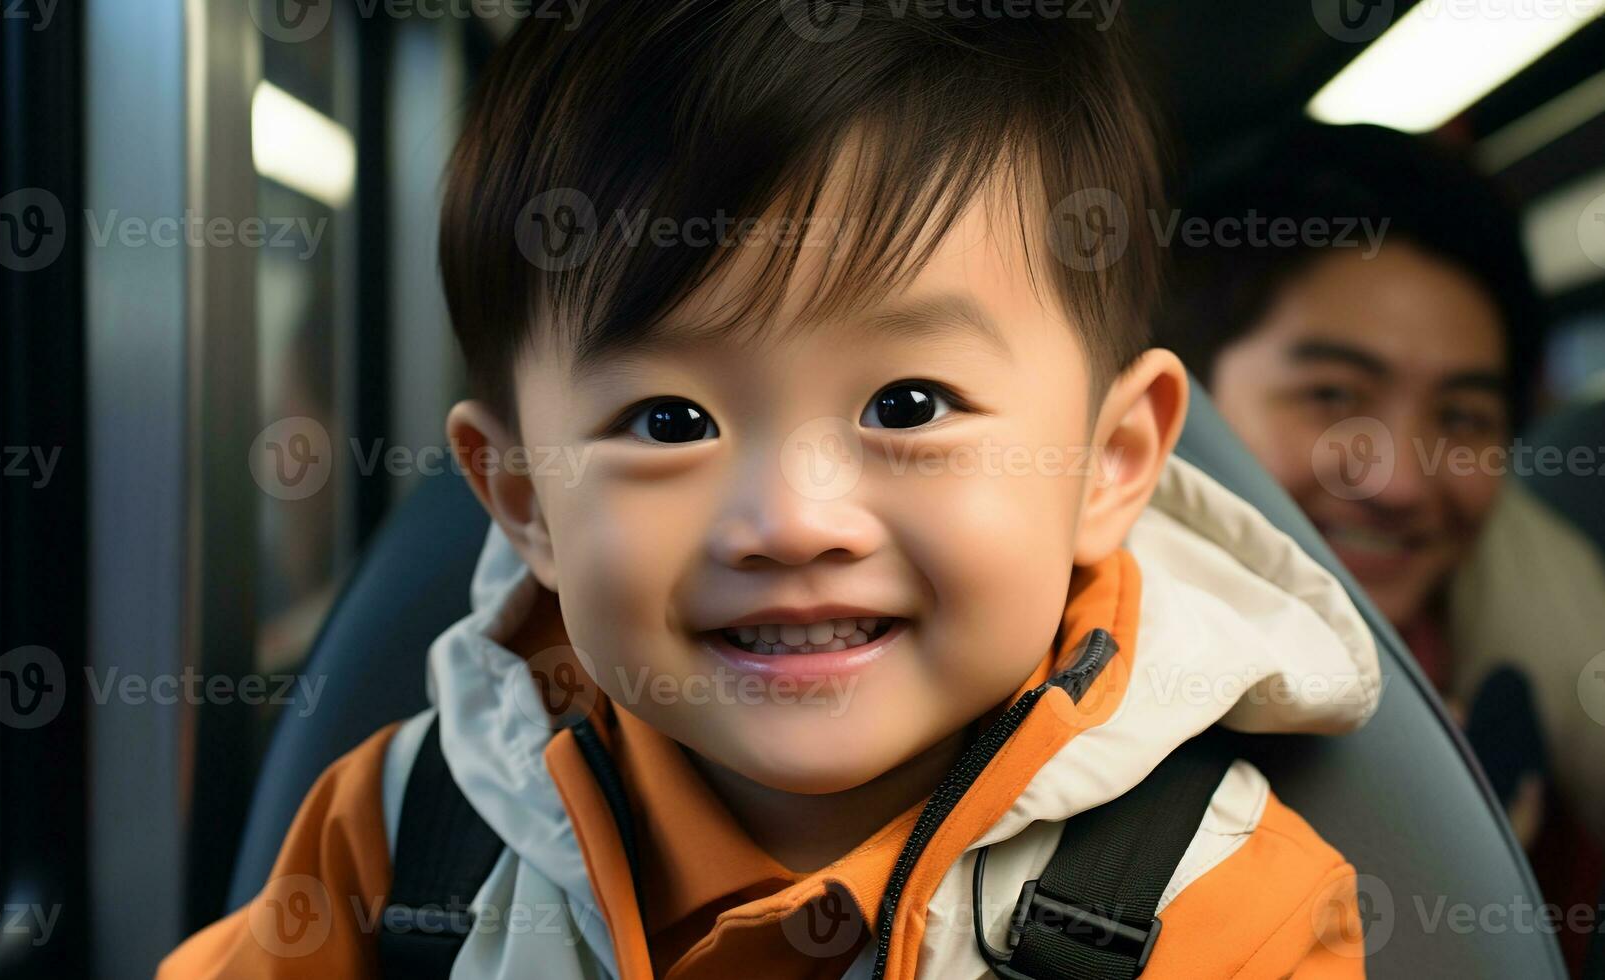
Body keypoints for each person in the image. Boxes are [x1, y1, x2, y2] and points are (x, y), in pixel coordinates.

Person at [160, 4, 1383, 976]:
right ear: (525, 501)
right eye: (666, 422)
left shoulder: (1220, 908)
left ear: (1107, 463)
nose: (791, 522)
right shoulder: (408, 834)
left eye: (906, 406)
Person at [1154, 121, 1605, 968]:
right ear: (1178, 412)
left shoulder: (1526, 733)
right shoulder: (1076, 737)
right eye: (1331, 394)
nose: (1398, 479)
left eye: (1461, 416)